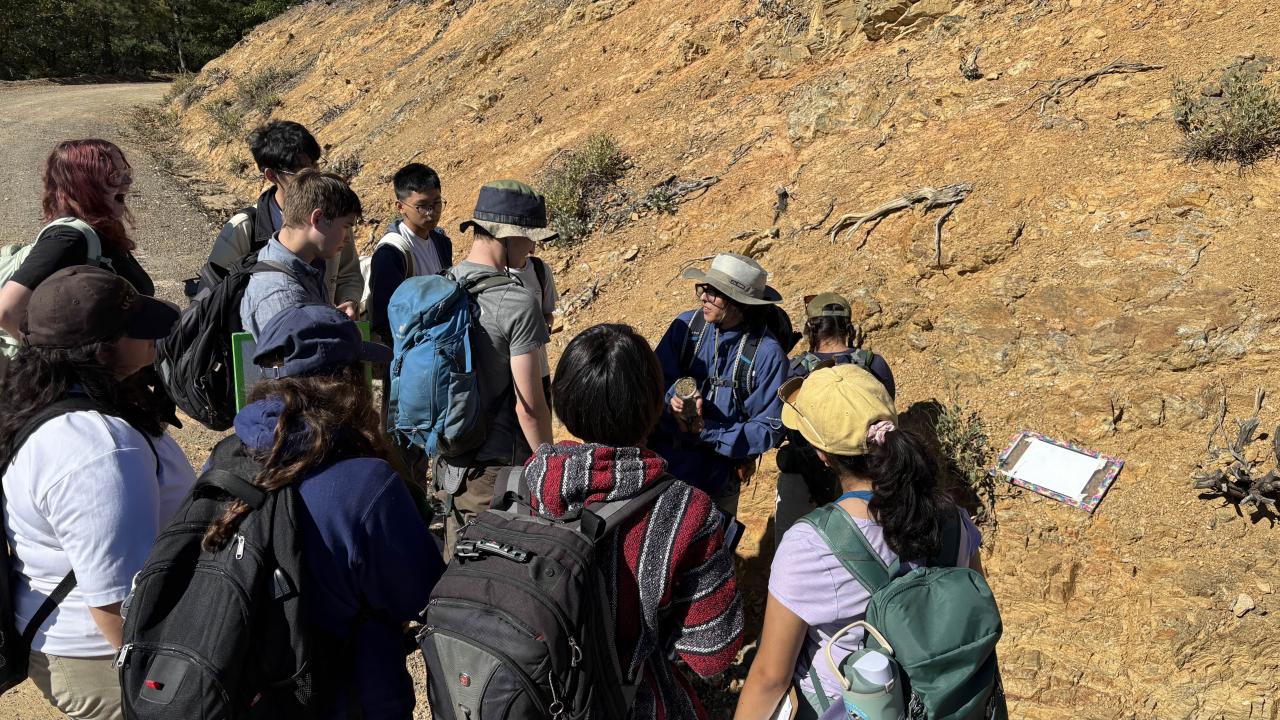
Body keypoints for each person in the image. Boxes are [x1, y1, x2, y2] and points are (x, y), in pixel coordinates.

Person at [216, 302, 444, 718]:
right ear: (347, 381)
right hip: (349, 697)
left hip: (255, 694)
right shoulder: (367, 484)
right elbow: (421, 595)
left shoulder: (228, 456)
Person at [734, 365, 984, 720]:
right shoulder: (954, 519)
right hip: (941, 704)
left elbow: (771, 677)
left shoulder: (811, 545)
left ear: (823, 454)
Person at [521, 323, 743, 719]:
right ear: (653, 405)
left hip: (533, 694)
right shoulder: (685, 511)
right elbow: (712, 654)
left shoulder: (531, 480)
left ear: (564, 400)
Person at [1, 266, 194, 720]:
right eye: (135, 329)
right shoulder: (101, 450)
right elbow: (118, 602)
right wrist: (160, 693)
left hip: (70, 640)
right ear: (101, 350)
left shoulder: (44, 395)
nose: (153, 337)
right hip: (105, 661)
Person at [434, 179, 554, 556]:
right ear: (507, 235)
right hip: (497, 473)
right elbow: (529, 407)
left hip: (447, 462)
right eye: (530, 237)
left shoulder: (439, 286)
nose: (534, 247)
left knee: (456, 565)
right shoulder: (517, 303)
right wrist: (550, 466)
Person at [650, 252, 788, 517]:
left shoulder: (766, 354)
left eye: (714, 293)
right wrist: (675, 395)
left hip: (715, 480)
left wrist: (707, 430)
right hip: (664, 466)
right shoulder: (686, 328)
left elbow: (768, 428)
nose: (703, 297)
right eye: (704, 289)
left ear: (739, 303)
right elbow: (655, 378)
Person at [203, 120, 363, 315]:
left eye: (315, 165)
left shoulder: (333, 220)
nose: (312, 175)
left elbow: (348, 274)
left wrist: (349, 300)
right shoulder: (243, 229)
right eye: (301, 170)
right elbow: (211, 298)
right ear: (271, 175)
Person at [0, 140, 152, 340]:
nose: (127, 181)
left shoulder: (100, 229)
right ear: (82, 185)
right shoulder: (68, 239)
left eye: (126, 172)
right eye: (114, 176)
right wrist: (60, 364)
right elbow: (7, 312)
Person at [774, 292, 897, 540]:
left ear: (810, 327)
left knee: (795, 549)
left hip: (803, 476)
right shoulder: (874, 365)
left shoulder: (795, 369)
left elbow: (784, 423)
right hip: (865, 477)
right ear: (848, 326)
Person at [239, 169, 362, 338]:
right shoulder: (284, 299)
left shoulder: (308, 266)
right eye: (346, 226)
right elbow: (301, 363)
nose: (348, 238)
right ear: (317, 218)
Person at [367, 163, 453, 344]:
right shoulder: (390, 253)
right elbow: (383, 320)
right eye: (422, 206)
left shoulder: (441, 242)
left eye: (436, 203)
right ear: (400, 207)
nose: (431, 213)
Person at [505, 225, 558, 405]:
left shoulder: (541, 270)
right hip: (507, 376)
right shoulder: (492, 276)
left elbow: (548, 314)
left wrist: (545, 328)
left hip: (540, 368)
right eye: (531, 237)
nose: (534, 243)